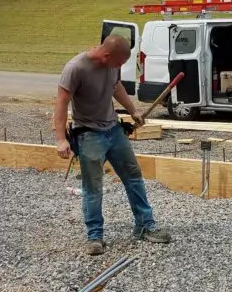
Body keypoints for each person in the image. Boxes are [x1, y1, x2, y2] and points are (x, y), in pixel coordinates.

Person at [54, 34, 171, 255]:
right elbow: (61, 102)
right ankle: (95, 237)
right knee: (93, 187)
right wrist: (60, 139)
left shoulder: (112, 66)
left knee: (133, 177)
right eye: (118, 63)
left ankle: (145, 226)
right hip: (89, 134)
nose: (120, 67)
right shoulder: (76, 68)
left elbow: (116, 87)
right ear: (106, 55)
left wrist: (132, 110)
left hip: (113, 131)